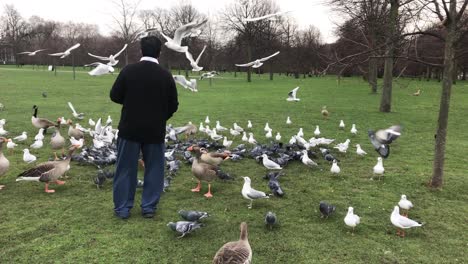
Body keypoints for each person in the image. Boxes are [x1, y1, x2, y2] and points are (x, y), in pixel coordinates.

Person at [110, 36, 178, 219]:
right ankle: (148, 207)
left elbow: (114, 96)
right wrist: (160, 117)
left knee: (125, 168)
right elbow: (173, 105)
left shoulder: (128, 71)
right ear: (159, 52)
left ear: (141, 50)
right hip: (155, 130)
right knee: (155, 169)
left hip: (129, 128)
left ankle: (123, 208)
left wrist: (131, 103)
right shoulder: (165, 75)